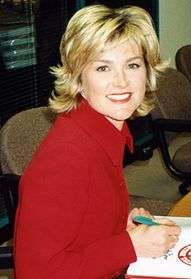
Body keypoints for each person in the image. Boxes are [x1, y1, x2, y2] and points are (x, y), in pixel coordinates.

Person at [14, 4, 181, 279]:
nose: (122, 81)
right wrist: (130, 245)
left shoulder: (105, 133)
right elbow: (36, 272)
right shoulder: (66, 158)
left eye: (133, 65)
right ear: (78, 79)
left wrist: (123, 229)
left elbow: (83, 226)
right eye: (103, 67)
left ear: (148, 73)